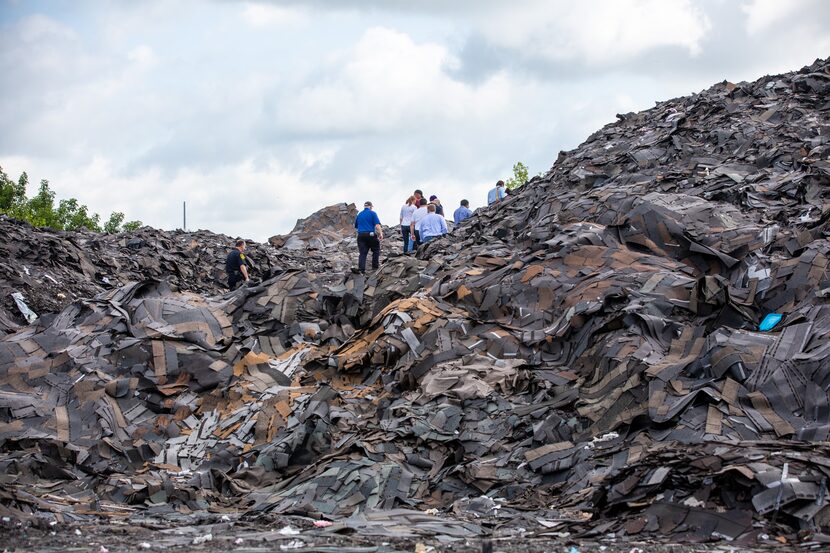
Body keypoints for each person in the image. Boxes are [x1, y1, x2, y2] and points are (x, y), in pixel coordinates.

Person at [354, 201, 383, 273]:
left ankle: (361, 269)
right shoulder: (373, 213)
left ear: (364, 206)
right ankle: (375, 267)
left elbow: (356, 226)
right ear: (370, 207)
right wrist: (380, 234)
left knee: (362, 253)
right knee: (376, 250)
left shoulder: (359, 214)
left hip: (361, 235)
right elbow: (377, 225)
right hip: (371, 234)